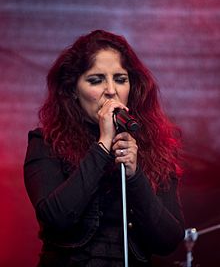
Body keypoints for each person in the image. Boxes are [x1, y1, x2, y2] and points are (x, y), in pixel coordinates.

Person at [24, 29, 185, 267]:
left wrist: (135, 175)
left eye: (120, 79)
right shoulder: (46, 142)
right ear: (72, 90)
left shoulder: (152, 149)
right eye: (96, 80)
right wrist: (102, 146)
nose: (111, 90)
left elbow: (169, 241)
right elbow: (56, 218)